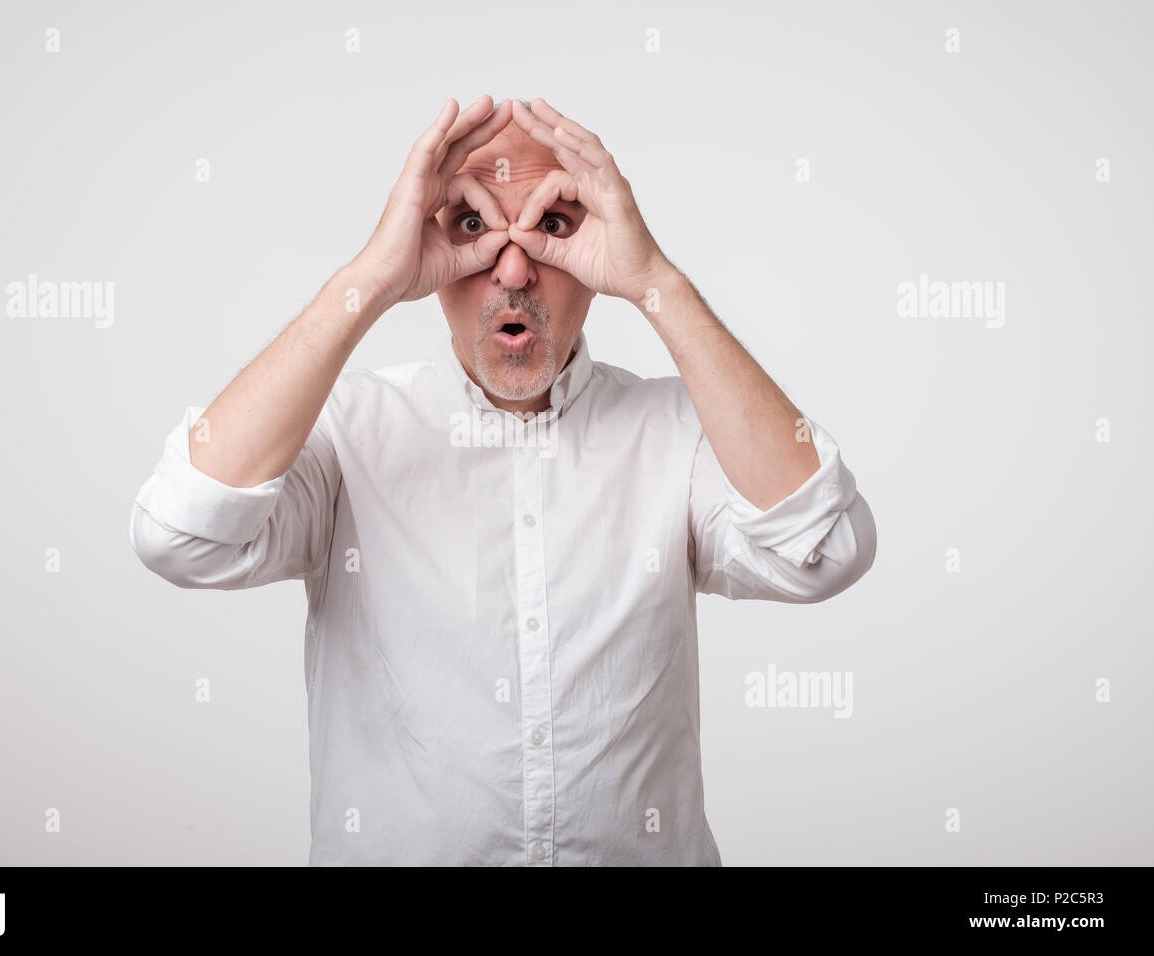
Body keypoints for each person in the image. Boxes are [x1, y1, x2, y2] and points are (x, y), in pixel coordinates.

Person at [129, 95, 878, 866]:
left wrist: (655, 280)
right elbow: (179, 536)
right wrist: (371, 278)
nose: (513, 269)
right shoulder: (346, 431)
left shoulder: (680, 430)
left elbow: (822, 550)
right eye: (473, 227)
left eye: (553, 227)